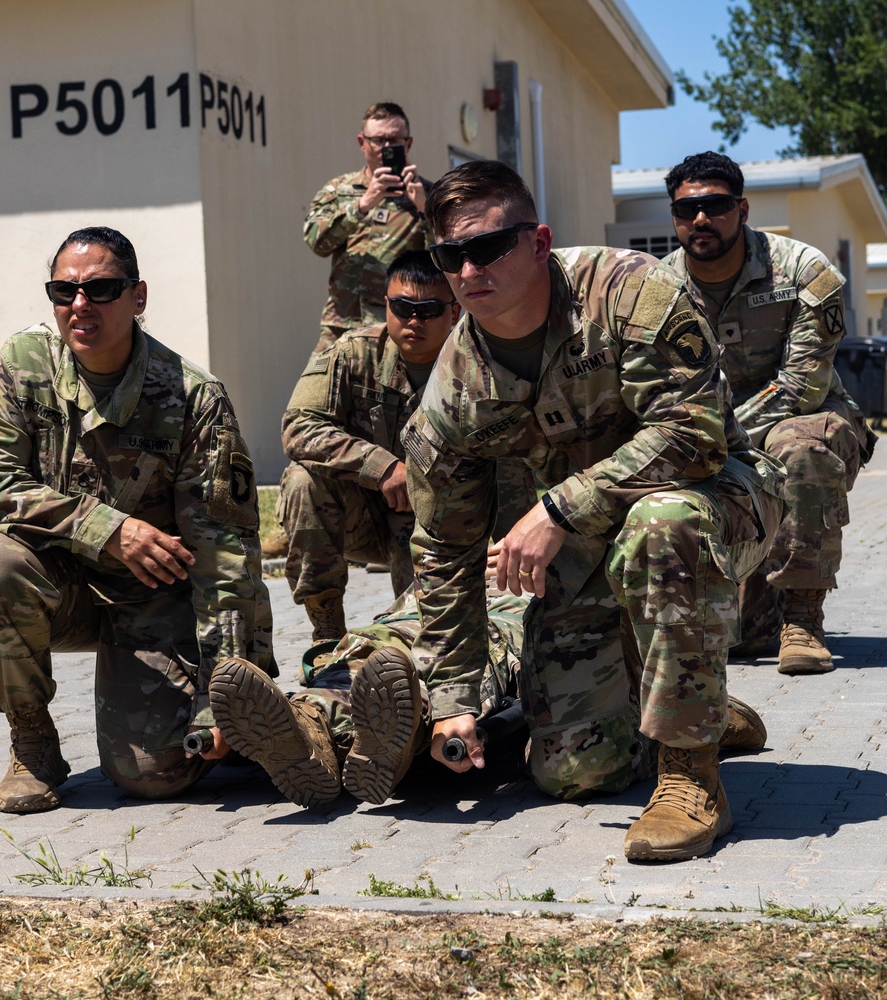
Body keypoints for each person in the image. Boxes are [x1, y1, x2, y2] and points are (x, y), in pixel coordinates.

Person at [393, 160, 785, 863]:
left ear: (539, 243)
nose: (467, 268)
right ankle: (691, 704)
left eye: (487, 246)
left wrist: (560, 507)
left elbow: (695, 436)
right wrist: (453, 696)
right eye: (449, 255)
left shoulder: (629, 291)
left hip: (715, 501)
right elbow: (446, 550)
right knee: (574, 771)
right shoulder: (453, 390)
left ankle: (691, 776)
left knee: (661, 524)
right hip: (585, 557)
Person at [0, 227, 274, 814]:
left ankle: (272, 720)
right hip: (58, 587)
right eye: (64, 290)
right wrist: (107, 528)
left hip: (152, 599)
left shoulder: (192, 397)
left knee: (155, 776)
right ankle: (33, 743)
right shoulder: (22, 366)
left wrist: (219, 690)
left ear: (138, 296)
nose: (80, 305)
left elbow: (225, 556)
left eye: (101, 289)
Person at [207, 581, 768, 809]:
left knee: (450, 667)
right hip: (415, 629)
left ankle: (357, 741)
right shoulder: (454, 535)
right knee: (363, 666)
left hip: (503, 629)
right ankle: (311, 736)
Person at [662, 152, 876, 675]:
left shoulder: (804, 270)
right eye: (686, 209)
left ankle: (803, 618)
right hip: (706, 430)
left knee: (800, 447)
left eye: (715, 206)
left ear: (743, 209)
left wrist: (718, 440)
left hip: (802, 418)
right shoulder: (656, 288)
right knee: (738, 635)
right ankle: (747, 610)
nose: (700, 220)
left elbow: (803, 385)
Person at [278, 250, 461, 642]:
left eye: (429, 309)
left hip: (442, 520)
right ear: (386, 304)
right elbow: (298, 426)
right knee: (300, 481)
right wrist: (381, 467)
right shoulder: (352, 353)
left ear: (455, 311)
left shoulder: (474, 363)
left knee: (428, 635)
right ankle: (327, 634)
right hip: (359, 516)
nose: (414, 320)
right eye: (402, 306)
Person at [303, 101, 432, 353]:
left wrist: (425, 210)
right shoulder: (339, 190)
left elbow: (445, 259)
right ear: (362, 143)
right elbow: (316, 242)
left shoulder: (429, 194)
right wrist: (362, 205)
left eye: (394, 139)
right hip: (342, 326)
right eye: (378, 140)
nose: (386, 148)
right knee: (313, 392)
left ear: (408, 144)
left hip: (401, 328)